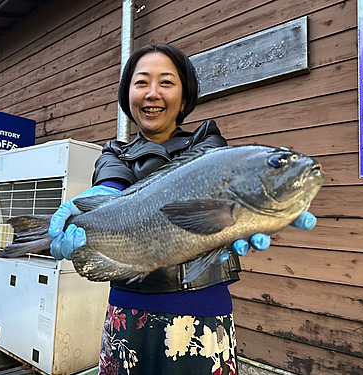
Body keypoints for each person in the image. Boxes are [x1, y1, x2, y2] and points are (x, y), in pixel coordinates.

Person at [48, 43, 316, 375]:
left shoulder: (209, 146)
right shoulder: (114, 154)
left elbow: (216, 186)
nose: (152, 93)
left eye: (166, 82)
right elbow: (112, 188)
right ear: (126, 95)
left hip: (202, 310)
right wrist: (84, 210)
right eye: (142, 82)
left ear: (184, 98)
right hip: (128, 310)